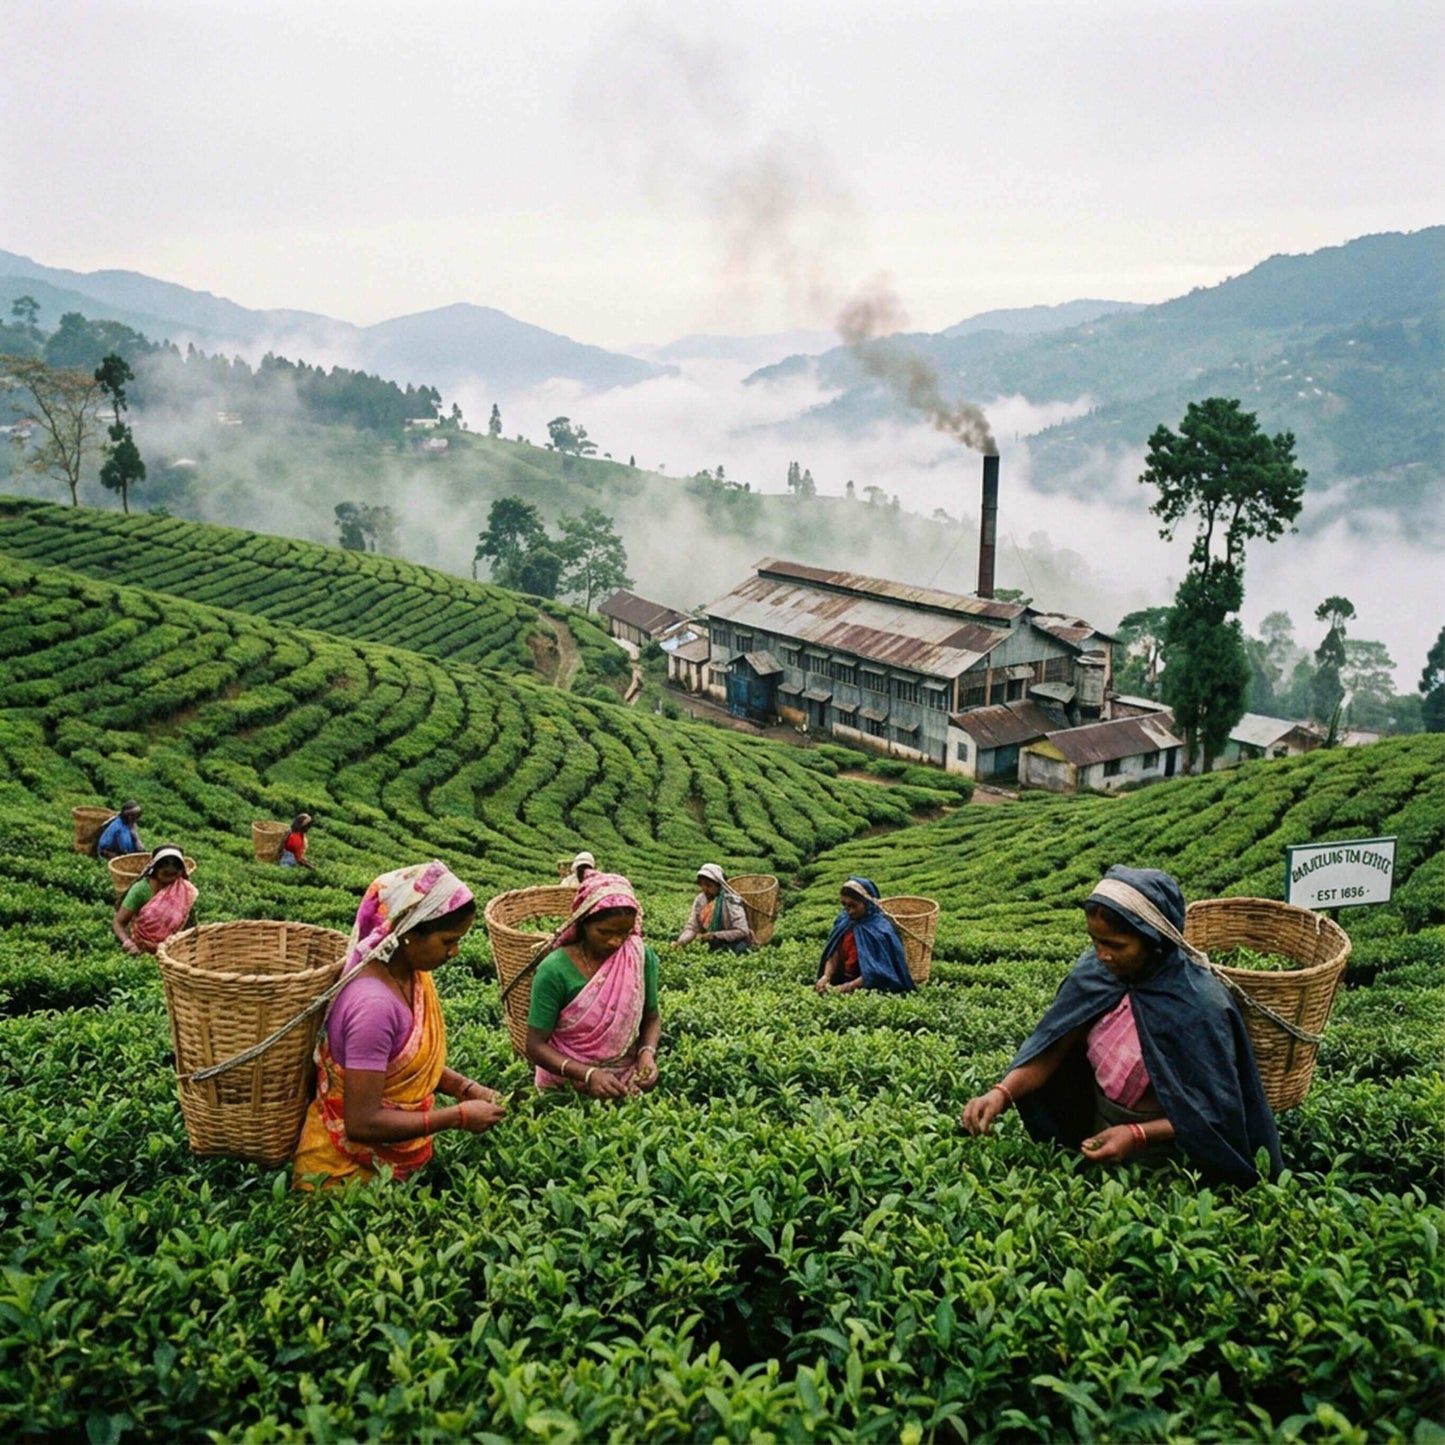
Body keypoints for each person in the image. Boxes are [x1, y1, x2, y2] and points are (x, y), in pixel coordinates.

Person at [959, 865, 1284, 1187]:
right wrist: (1001, 1094)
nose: (1102, 955)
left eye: (1116, 945)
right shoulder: (1095, 974)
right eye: (1095, 941)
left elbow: (1213, 1111)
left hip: (1171, 1157)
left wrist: (1138, 1134)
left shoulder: (1199, 1004)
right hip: (1100, 1130)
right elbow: (1056, 1046)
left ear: (1153, 939)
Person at [293, 861, 506, 1188]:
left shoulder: (413, 976)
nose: (455, 952)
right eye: (448, 941)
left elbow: (402, 1064)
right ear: (408, 932)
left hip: (392, 1171)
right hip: (344, 1181)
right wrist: (458, 1116)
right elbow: (362, 1123)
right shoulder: (373, 1007)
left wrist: (466, 1089)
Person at [525, 871, 662, 1097]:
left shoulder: (639, 957)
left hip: (625, 1079)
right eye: (605, 932)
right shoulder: (554, 969)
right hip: (564, 1083)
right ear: (584, 923)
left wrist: (646, 1054)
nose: (615, 941)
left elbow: (651, 1017)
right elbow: (535, 1046)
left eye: (624, 933)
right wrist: (588, 1074)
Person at [814, 876, 915, 994]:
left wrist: (843, 988)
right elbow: (834, 951)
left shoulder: (880, 928)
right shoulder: (843, 921)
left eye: (853, 905)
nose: (848, 910)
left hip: (870, 990)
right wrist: (826, 976)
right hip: (844, 981)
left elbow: (877, 974)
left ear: (867, 903)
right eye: (844, 904)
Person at [112, 844, 196, 956]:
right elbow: (118, 922)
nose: (171, 880)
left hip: (172, 951)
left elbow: (189, 926)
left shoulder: (183, 890)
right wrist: (127, 943)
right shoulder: (141, 890)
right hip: (142, 950)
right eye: (166, 874)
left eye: (174, 875)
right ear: (155, 869)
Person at [673, 863, 751, 955]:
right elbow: (692, 927)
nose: (705, 889)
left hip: (733, 940)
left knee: (739, 950)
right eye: (702, 885)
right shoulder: (700, 900)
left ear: (718, 885)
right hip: (709, 939)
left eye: (709, 885)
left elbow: (742, 931)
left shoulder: (731, 901)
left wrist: (715, 935)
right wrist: (680, 942)